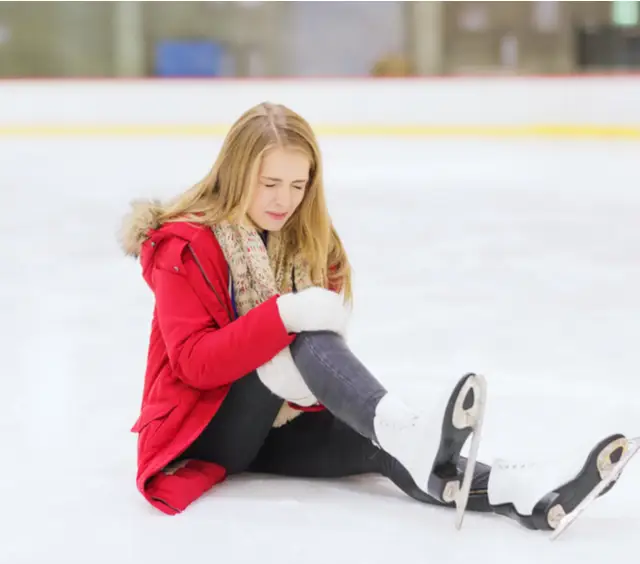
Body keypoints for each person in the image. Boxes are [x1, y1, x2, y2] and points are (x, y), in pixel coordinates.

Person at [119, 101, 629, 532]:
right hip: (204, 431)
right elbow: (193, 364)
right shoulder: (184, 245)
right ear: (236, 174)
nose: (284, 201)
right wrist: (284, 315)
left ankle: (528, 494)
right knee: (303, 332)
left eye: (298, 185)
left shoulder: (312, 240)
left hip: (281, 430)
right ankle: (404, 428)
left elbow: (318, 356)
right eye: (269, 183)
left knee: (389, 450)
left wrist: (298, 368)